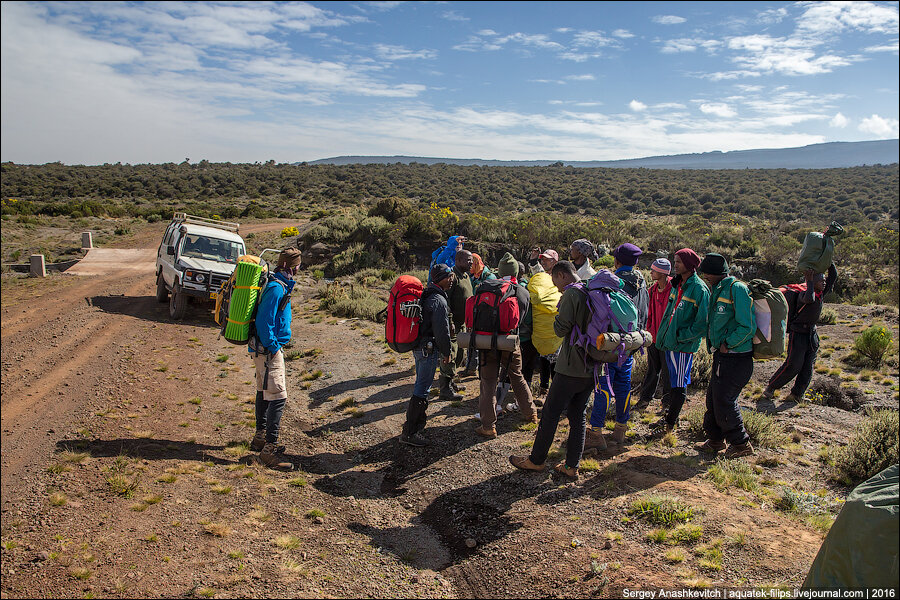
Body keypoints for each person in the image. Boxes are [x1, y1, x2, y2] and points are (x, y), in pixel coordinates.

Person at [509, 261, 593, 479]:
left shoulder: (571, 295)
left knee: (550, 414)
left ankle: (536, 460)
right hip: (592, 365)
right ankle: (572, 465)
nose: (554, 286)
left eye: (554, 280)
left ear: (562, 275)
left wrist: (556, 315)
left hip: (570, 366)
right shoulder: (591, 290)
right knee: (578, 415)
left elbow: (560, 328)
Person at [584, 243, 646, 450]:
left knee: (603, 385)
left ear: (617, 261)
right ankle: (620, 428)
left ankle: (596, 431)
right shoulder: (643, 284)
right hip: (631, 342)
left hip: (609, 343)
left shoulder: (613, 282)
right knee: (623, 384)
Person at [694, 253, 755, 459]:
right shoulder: (717, 289)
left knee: (724, 400)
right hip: (722, 356)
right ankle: (715, 440)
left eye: (707, 273)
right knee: (713, 399)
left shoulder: (736, 289)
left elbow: (747, 325)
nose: (705, 277)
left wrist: (728, 344)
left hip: (737, 357)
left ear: (717, 273)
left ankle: (740, 443)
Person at [474, 253, 538, 438]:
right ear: (516, 272)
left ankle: (488, 425)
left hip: (486, 342)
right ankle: (530, 413)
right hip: (510, 342)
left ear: (499, 271)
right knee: (517, 376)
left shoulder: (484, 287)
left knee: (488, 382)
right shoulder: (522, 292)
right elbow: (522, 320)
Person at [249, 248, 301, 470]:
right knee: (278, 396)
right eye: (298, 265)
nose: (300, 269)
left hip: (262, 349)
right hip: (268, 350)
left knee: (264, 391)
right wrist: (273, 347)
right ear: (292, 266)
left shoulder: (276, 283)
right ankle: (269, 451)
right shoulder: (275, 288)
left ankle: (260, 437)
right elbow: (264, 322)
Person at [653, 248, 710, 437]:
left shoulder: (699, 289)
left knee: (679, 385)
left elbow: (702, 324)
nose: (675, 265)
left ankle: (670, 424)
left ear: (689, 265)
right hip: (670, 343)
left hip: (682, 346)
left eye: (678, 262)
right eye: (674, 261)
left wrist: (681, 336)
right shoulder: (678, 285)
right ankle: (670, 418)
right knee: (673, 382)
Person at [763, 264, 838, 403]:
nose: (824, 282)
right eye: (821, 280)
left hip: (811, 335)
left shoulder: (820, 292)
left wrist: (828, 261)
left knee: (807, 366)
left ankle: (797, 394)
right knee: (793, 365)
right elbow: (809, 299)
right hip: (798, 334)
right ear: (812, 281)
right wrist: (808, 280)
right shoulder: (803, 294)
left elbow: (833, 277)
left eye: (824, 280)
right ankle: (771, 387)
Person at [401, 264, 455, 447]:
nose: (451, 279)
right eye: (449, 276)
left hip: (420, 348)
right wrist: (447, 352)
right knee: (422, 390)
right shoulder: (438, 300)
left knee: (420, 386)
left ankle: (414, 428)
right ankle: (411, 432)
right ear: (441, 278)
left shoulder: (427, 294)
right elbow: (442, 331)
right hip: (428, 350)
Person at [635, 257, 673, 412]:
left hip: (667, 341)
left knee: (667, 373)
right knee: (652, 370)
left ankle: (667, 404)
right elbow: (649, 314)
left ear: (663, 273)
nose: (651, 272)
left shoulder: (675, 290)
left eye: (654, 270)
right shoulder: (652, 290)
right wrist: (648, 333)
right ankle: (644, 399)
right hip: (653, 338)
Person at [433, 250, 472, 401]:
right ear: (458, 260)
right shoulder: (452, 278)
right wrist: (449, 322)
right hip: (453, 324)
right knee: (450, 354)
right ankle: (445, 389)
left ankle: (452, 382)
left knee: (460, 355)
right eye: (468, 260)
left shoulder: (466, 276)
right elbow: (446, 302)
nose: (471, 263)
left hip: (463, 323)